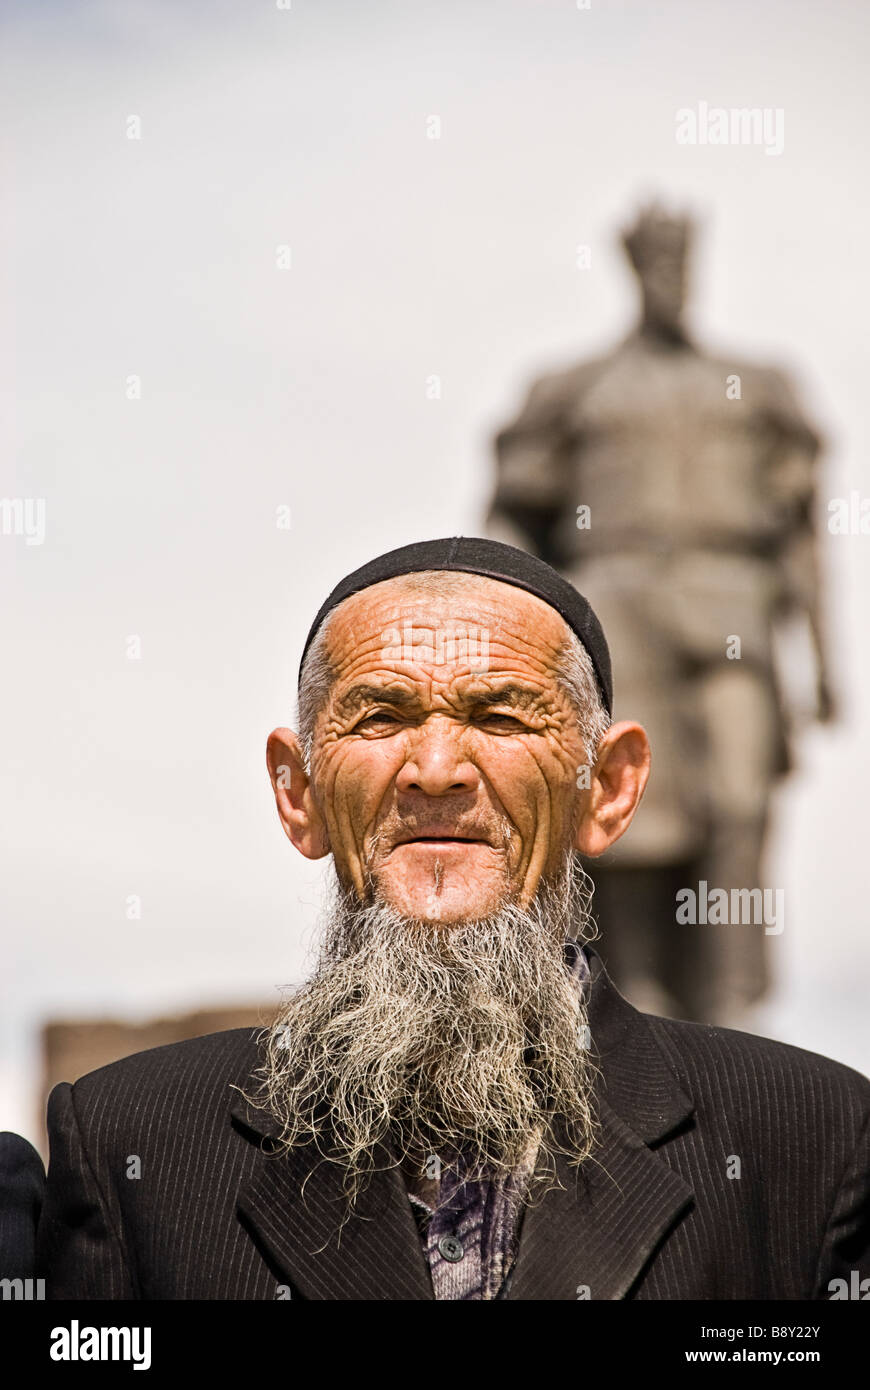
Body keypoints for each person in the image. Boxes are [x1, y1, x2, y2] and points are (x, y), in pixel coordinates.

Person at [36, 537, 869, 1300]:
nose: (435, 772)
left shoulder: (807, 1144)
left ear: (609, 789)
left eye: (501, 716)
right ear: (299, 793)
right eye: (382, 717)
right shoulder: (130, 1148)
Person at [487, 205, 835, 1023]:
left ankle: (733, 1006)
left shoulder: (761, 387)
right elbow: (513, 521)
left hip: (731, 614)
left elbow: (802, 537)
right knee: (625, 807)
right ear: (633, 270)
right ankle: (628, 998)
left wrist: (825, 658)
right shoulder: (572, 390)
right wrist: (504, 647)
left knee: (740, 806)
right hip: (612, 611)